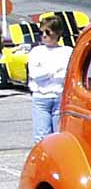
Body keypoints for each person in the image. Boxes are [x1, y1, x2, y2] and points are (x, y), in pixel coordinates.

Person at [28, 15, 73, 144]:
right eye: (41, 32)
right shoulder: (36, 51)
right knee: (42, 136)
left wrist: (47, 72)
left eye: (47, 32)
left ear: (57, 32)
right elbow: (36, 74)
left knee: (59, 136)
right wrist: (55, 71)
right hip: (41, 99)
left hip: (60, 97)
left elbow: (65, 75)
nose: (44, 36)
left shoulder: (67, 51)